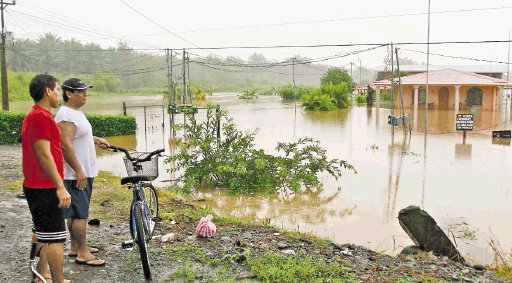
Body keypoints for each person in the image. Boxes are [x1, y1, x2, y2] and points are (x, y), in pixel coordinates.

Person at [22, 74, 71, 283]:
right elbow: (44, 154)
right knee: (55, 238)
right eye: (57, 89)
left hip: (38, 185)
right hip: (45, 186)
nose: (59, 93)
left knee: (44, 233)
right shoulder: (40, 117)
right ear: (48, 91)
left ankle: (42, 276)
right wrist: (60, 186)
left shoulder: (38, 115)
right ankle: (58, 281)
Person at [55, 78, 108, 267]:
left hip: (82, 171)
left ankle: (75, 247)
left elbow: (78, 135)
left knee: (77, 212)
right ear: (69, 94)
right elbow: (65, 144)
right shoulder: (66, 115)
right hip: (75, 173)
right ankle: (83, 253)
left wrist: (95, 139)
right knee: (80, 214)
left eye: (86, 91)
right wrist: (79, 171)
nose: (85, 94)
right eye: (81, 91)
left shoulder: (74, 113)